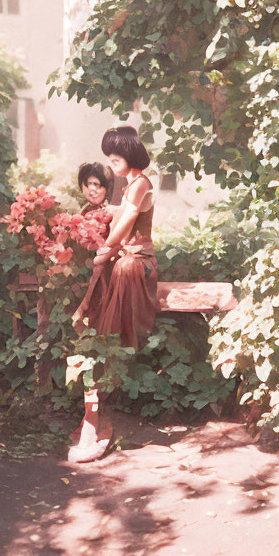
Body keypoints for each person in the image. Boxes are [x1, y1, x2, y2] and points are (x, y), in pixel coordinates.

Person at [67, 125, 160, 464]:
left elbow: (126, 224)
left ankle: (105, 343)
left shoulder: (141, 185)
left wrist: (107, 249)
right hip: (123, 258)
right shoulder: (127, 185)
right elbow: (112, 219)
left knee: (118, 270)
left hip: (140, 261)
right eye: (110, 158)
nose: (112, 164)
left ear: (130, 156)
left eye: (116, 158)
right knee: (97, 285)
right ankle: (92, 405)